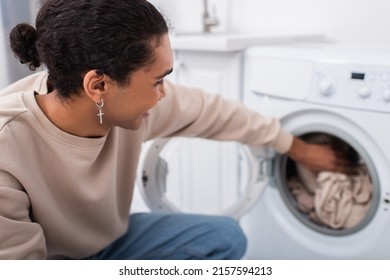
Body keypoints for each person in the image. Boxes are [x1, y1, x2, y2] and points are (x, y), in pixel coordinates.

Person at [0, 0, 350, 260]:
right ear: (99, 85)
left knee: (226, 236)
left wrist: (296, 148)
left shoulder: (126, 105)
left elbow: (214, 112)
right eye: (158, 81)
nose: (164, 94)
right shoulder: (8, 147)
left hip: (108, 243)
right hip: (54, 260)